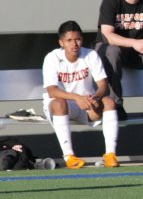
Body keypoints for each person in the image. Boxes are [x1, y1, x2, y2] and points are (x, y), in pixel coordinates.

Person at [43, 20, 120, 169]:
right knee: (59, 103)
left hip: (86, 104)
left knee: (109, 102)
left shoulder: (90, 55)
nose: (74, 44)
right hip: (63, 106)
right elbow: (52, 91)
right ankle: (69, 156)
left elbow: (103, 86)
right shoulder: (52, 58)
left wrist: (96, 97)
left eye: (77, 39)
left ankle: (110, 155)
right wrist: (77, 97)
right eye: (69, 40)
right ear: (61, 42)